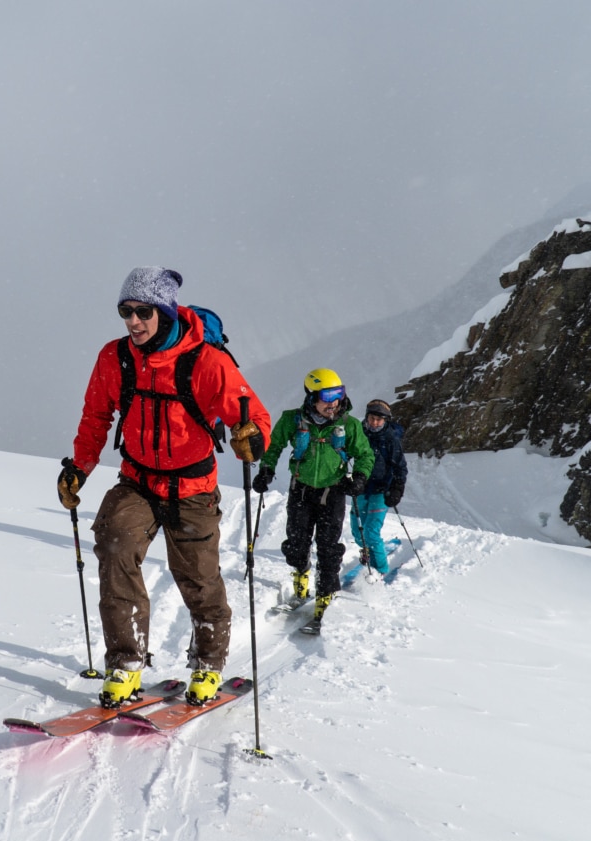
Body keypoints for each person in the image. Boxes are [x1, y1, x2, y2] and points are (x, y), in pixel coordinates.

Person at [57, 267, 271, 709]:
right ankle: (125, 663)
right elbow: (97, 416)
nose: (133, 322)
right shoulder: (114, 358)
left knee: (198, 578)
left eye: (143, 312)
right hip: (137, 479)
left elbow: (254, 418)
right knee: (115, 547)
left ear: (166, 312)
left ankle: (208, 666)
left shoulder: (207, 361)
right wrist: (79, 468)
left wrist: (253, 437)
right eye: (125, 312)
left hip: (192, 486)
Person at [252, 368, 374, 627]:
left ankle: (325, 593)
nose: (334, 403)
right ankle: (302, 576)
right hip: (301, 489)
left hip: (334, 490)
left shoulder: (348, 425)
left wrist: (360, 477)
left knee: (329, 547)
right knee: (297, 542)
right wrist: (266, 469)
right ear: (311, 396)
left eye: (338, 394)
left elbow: (365, 454)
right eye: (327, 396)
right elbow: (274, 446)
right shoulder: (292, 420)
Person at [349, 399, 408, 577]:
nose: (374, 423)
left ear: (386, 420)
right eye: (372, 418)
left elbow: (400, 468)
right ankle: (368, 552)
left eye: (379, 419)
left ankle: (380, 571)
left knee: (371, 532)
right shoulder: (359, 434)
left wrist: (397, 489)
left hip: (382, 490)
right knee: (357, 532)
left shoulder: (391, 440)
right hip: (361, 488)